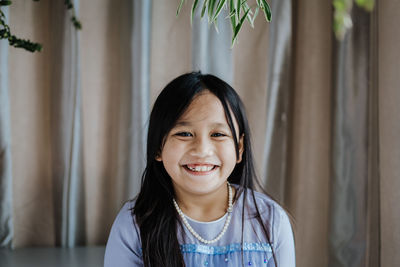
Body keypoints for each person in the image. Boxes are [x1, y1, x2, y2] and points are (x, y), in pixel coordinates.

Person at [104, 72, 295, 267]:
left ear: (239, 148)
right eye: (184, 133)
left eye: (218, 134)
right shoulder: (133, 224)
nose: (202, 150)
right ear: (158, 147)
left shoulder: (271, 221)